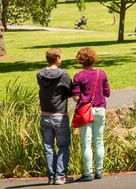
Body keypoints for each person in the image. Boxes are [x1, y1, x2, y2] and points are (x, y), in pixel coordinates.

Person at [72, 47, 111, 182]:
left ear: (80, 60)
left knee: (86, 142)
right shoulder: (102, 73)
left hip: (86, 111)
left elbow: (76, 98)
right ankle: (99, 171)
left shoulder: (78, 76)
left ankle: (88, 173)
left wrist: (84, 95)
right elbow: (107, 93)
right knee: (99, 141)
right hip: (100, 109)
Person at [37, 48, 72, 186]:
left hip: (45, 115)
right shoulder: (63, 74)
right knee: (63, 145)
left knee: (48, 147)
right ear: (57, 58)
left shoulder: (40, 74)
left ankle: (51, 176)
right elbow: (70, 90)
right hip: (59, 114)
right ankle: (60, 176)